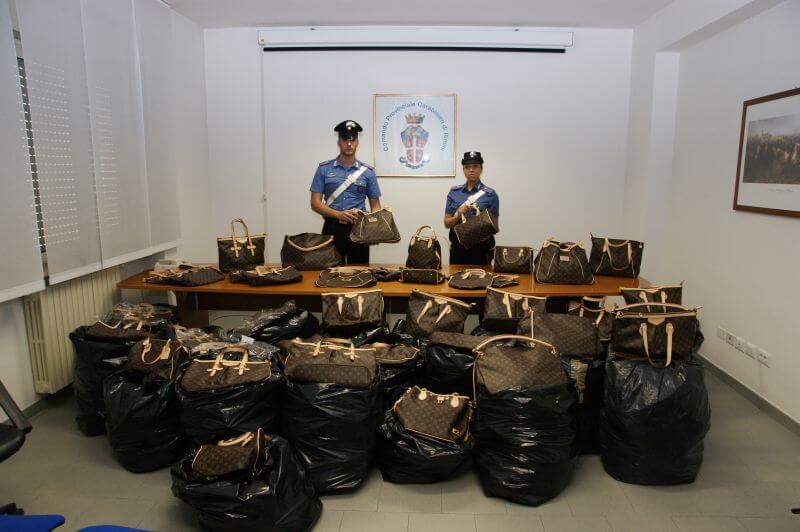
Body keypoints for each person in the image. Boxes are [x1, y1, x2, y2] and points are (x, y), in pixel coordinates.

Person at [310, 120, 382, 264]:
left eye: (352, 140)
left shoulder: (367, 172)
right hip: (332, 228)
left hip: (359, 229)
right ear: (339, 142)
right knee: (331, 272)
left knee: (360, 272)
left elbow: (376, 205)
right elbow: (315, 203)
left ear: (357, 142)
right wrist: (338, 214)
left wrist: (373, 227)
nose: (349, 144)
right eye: (345, 139)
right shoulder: (324, 169)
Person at [443, 151, 500, 265]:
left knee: (481, 276)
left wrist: (479, 221)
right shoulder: (454, 193)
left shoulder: (490, 195)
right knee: (456, 275)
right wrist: (458, 214)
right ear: (463, 169)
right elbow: (447, 223)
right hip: (458, 248)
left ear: (481, 169)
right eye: (467, 167)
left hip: (481, 248)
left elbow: (494, 227)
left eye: (475, 166)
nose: (471, 170)